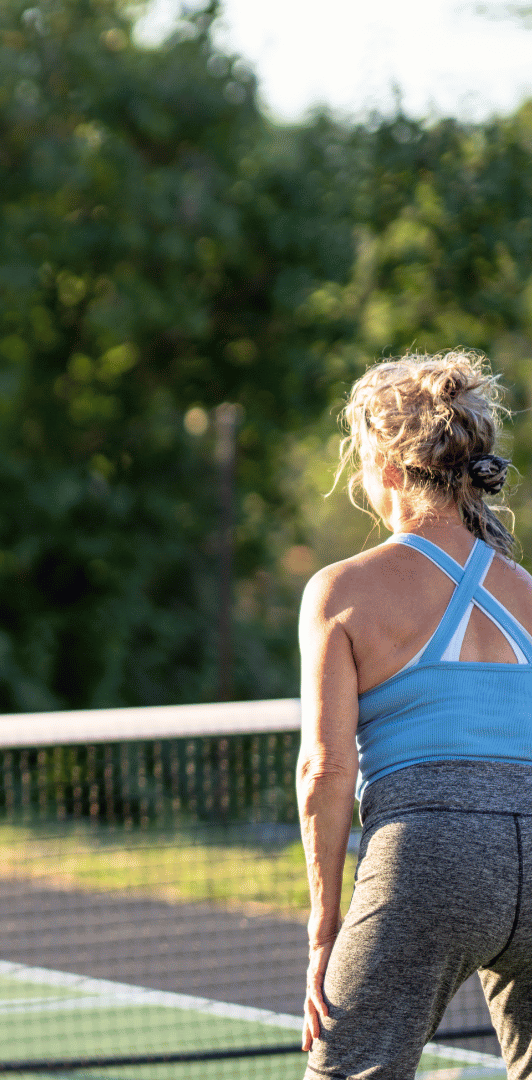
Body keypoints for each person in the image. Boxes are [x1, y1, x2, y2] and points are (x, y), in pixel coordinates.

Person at [299, 350, 532, 1080]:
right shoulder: (528, 588)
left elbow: (325, 770)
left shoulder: (342, 590)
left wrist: (324, 927)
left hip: (429, 855)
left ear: (389, 468)